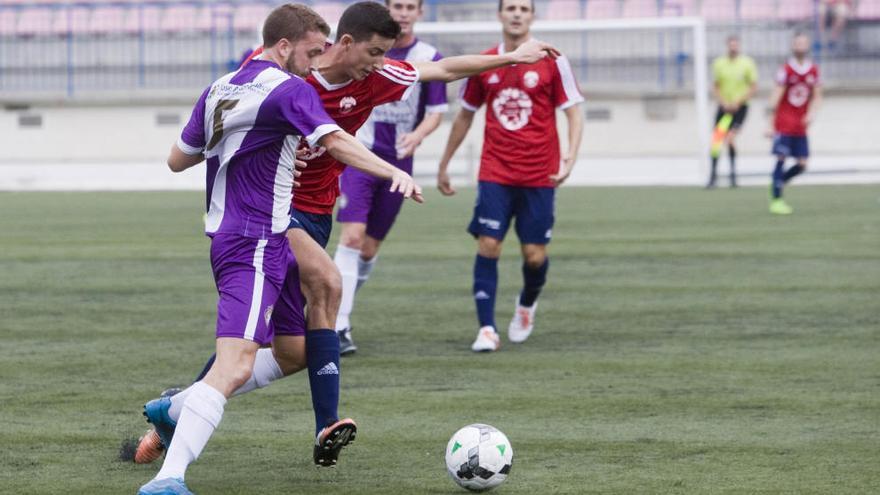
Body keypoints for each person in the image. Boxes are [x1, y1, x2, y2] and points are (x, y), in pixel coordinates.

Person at [134, 0, 559, 472]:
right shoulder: (287, 73)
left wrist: (512, 57)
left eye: (386, 56)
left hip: (317, 213)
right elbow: (241, 122)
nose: (379, 66)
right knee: (329, 282)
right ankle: (326, 423)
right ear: (345, 43)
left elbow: (440, 69)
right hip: (274, 210)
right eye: (374, 53)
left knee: (288, 352)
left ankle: (173, 408)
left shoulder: (375, 77)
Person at [137, 5, 424, 493]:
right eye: (313, 52)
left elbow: (177, 160)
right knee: (236, 365)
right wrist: (392, 170)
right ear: (285, 46)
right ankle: (168, 479)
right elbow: (334, 141)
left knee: (292, 351)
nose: (317, 63)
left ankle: (175, 407)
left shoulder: (220, 87)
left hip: (243, 235)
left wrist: (251, 147)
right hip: (254, 240)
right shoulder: (290, 88)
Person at [436, 0, 584, 352]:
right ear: (500, 14)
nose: (517, 13)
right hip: (496, 171)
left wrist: (569, 159)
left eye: (523, 8)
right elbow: (464, 116)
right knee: (489, 244)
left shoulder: (553, 60)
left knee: (534, 256)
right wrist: (444, 163)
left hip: (540, 174)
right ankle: (487, 328)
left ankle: (527, 303)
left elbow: (574, 113)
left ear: (532, 16)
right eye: (511, 7)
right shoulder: (486, 63)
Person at [333, 0, 448, 356]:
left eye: (410, 6)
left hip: (400, 162)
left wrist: (418, 135)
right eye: (397, 5)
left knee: (368, 248)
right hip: (360, 156)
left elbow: (435, 112)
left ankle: (336, 306)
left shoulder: (429, 55)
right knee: (351, 238)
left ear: (420, 13)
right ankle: (337, 326)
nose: (403, 12)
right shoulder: (362, 55)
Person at [766, 33, 822, 216]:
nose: (800, 46)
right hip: (783, 123)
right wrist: (769, 124)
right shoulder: (786, 70)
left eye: (804, 43)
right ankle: (776, 200)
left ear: (808, 46)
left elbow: (818, 96)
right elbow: (775, 96)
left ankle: (778, 181)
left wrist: (811, 114)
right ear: (793, 46)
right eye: (797, 43)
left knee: (802, 164)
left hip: (800, 126)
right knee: (781, 158)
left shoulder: (813, 70)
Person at [707, 35, 758, 189]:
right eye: (731, 45)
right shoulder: (719, 63)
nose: (733, 47)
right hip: (724, 108)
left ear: (739, 46)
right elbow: (715, 86)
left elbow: (753, 86)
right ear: (727, 46)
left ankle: (733, 175)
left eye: (736, 45)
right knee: (716, 141)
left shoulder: (747, 63)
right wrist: (723, 102)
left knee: (729, 139)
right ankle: (713, 176)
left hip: (740, 108)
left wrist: (738, 102)